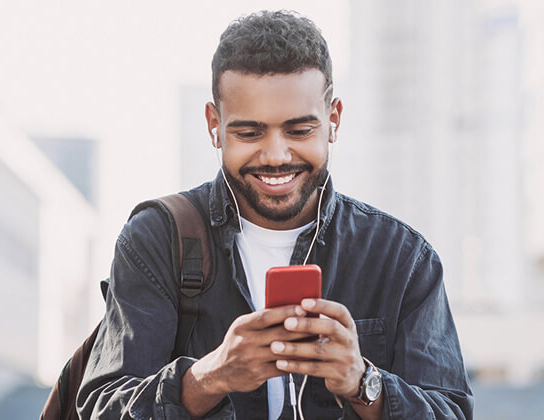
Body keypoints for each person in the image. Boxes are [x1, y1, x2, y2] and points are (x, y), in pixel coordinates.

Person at [77, 10, 472, 419]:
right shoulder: (156, 239)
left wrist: (362, 382)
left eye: (300, 130)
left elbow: (451, 412)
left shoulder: (400, 257)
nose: (276, 155)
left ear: (333, 120)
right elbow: (102, 410)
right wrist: (210, 377)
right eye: (249, 133)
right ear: (215, 125)